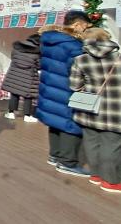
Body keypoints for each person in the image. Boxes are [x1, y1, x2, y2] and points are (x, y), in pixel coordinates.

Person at [69, 28, 121, 194]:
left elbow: (74, 86)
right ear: (107, 38)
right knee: (111, 145)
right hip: (117, 109)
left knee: (91, 142)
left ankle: (96, 175)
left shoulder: (80, 59)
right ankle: (109, 181)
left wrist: (89, 92)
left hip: (89, 108)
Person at [37, 10, 91, 177]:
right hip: (68, 90)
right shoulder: (74, 45)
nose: (86, 30)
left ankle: (55, 155)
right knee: (72, 124)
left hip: (51, 87)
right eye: (85, 26)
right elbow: (80, 71)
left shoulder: (49, 40)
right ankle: (68, 162)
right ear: (77, 24)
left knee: (55, 121)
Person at [2, 34, 41, 121]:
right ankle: (27, 116)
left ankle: (11, 113)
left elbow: (13, 59)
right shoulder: (36, 53)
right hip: (29, 76)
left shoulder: (16, 49)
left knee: (14, 93)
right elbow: (39, 66)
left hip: (15, 74)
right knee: (28, 96)